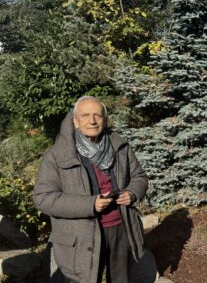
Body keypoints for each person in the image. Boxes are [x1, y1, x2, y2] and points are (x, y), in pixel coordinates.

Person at [33, 96, 148, 283]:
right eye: (85, 115)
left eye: (97, 115)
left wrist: (133, 193)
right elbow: (43, 198)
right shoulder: (57, 155)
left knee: (121, 278)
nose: (92, 121)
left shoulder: (119, 146)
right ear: (75, 121)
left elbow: (139, 177)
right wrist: (90, 204)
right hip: (80, 234)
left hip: (120, 227)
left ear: (105, 120)